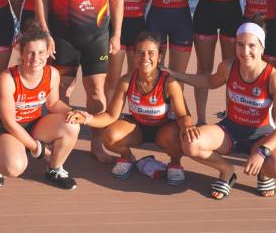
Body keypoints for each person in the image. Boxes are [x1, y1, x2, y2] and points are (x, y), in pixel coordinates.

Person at [35, 0, 124, 163]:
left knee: (96, 91)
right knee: (61, 90)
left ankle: (96, 145)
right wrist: (45, 33)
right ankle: (60, 141)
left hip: (96, 36)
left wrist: (116, 33)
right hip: (62, 35)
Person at [170, 17, 276, 199]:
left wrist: (262, 152)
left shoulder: (274, 79)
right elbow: (209, 81)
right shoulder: (228, 67)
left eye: (252, 45)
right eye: (240, 45)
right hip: (231, 130)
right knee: (190, 144)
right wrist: (176, 75)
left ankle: (264, 173)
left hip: (262, 136)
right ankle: (226, 171)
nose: (245, 51)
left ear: (262, 47)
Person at [67, 32, 198, 185]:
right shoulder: (126, 81)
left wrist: (188, 126)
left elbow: (183, 116)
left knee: (181, 134)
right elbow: (110, 115)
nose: (145, 58)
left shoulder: (170, 83)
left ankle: (175, 162)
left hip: (164, 129)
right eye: (140, 53)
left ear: (159, 57)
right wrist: (86, 118)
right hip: (137, 128)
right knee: (109, 135)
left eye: (151, 53)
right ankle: (127, 156)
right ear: (134, 55)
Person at [0, 22, 80, 189]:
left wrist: (75, 112)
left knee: (72, 124)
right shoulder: (7, 79)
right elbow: (9, 123)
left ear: (47, 53)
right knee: (14, 167)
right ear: (21, 53)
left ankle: (54, 169)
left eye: (41, 52)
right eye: (30, 53)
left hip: (33, 125)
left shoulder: (52, 74)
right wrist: (38, 148)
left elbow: (53, 103)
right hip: (5, 130)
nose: (36, 59)